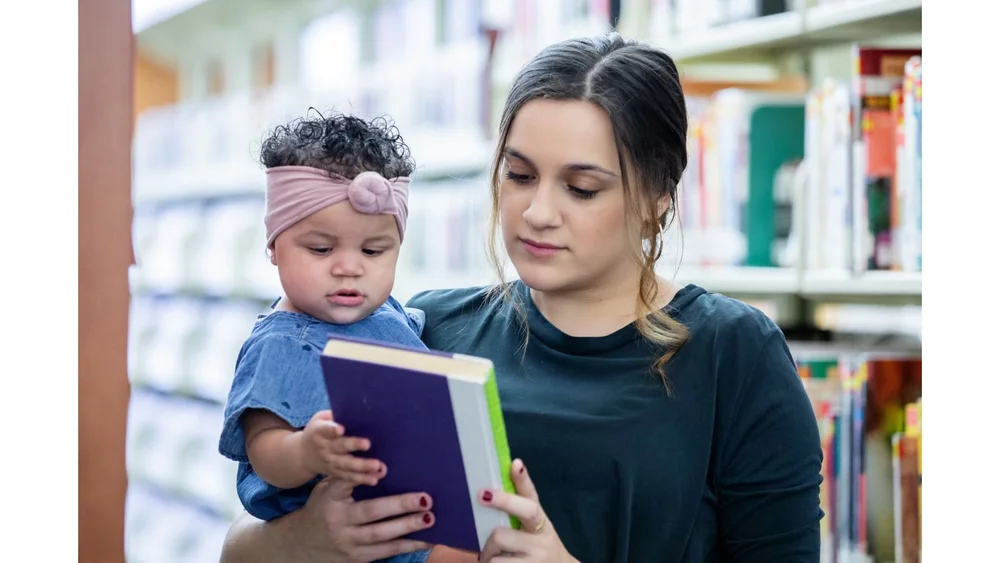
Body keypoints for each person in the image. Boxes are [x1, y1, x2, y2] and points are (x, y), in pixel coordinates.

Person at [220, 32, 823, 563]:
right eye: (520, 175)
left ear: (657, 196)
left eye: (582, 189)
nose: (537, 214)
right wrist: (306, 541)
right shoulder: (422, 330)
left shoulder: (735, 354)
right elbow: (241, 543)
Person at [217, 111, 434, 563]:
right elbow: (263, 450)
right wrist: (307, 451)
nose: (349, 267)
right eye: (321, 249)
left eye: (373, 251)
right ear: (274, 246)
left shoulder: (386, 311)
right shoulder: (280, 344)